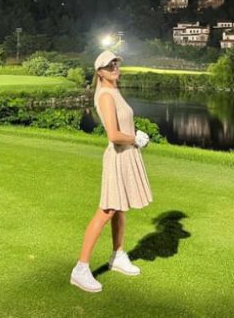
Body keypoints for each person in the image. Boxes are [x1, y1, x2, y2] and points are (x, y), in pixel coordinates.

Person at [70, 50, 152, 293]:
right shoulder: (105, 95)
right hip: (118, 155)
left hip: (126, 155)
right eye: (109, 66)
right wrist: (135, 139)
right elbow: (114, 135)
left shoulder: (114, 90)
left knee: (120, 207)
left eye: (116, 64)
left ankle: (117, 255)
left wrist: (134, 138)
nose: (114, 68)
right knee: (107, 209)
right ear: (99, 72)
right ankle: (80, 269)